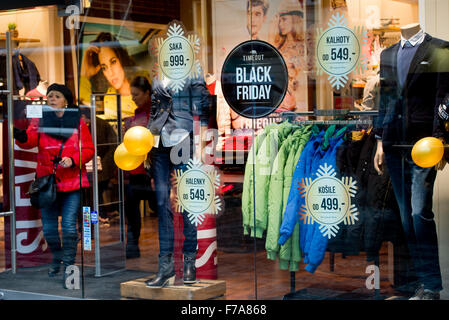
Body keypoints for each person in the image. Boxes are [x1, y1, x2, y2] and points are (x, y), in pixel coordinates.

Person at [373, 24, 449, 300]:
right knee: (407, 220)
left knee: (419, 215)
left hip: (423, 145)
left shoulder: (440, 49)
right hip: (394, 144)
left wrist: (440, 140)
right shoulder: (388, 54)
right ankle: (422, 285)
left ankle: (431, 287)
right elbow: (385, 98)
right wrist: (380, 141)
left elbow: (445, 97)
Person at [14, 84, 95, 288]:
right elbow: (30, 140)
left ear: (66, 100)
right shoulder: (40, 119)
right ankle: (57, 257)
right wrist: (19, 134)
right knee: (49, 230)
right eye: (49, 96)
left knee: (68, 227)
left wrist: (73, 159)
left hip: (72, 181)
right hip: (47, 182)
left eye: (56, 96)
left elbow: (88, 148)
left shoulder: (77, 121)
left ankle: (69, 264)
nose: (51, 99)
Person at [145, 75, 210, 288]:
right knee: (162, 204)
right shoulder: (157, 73)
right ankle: (165, 268)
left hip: (182, 138)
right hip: (158, 142)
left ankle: (190, 261)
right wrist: (147, 143)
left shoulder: (192, 68)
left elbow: (204, 102)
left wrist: (204, 139)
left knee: (187, 200)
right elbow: (155, 110)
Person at [123, 76, 157, 259]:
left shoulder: (154, 113)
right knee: (132, 209)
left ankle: (169, 249)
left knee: (160, 209)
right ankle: (132, 245)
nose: (133, 98)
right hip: (136, 169)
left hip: (151, 170)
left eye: (136, 94)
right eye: (131, 94)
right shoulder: (136, 116)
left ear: (146, 93)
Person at [80, 32, 148, 119]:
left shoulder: (145, 89)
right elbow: (83, 101)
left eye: (113, 62)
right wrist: (85, 75)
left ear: (121, 59)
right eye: (104, 67)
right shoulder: (107, 100)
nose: (110, 73)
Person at [269, 0, 307, 112]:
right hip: (282, 104)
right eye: (279, 21)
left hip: (302, 103)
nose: (280, 24)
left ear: (295, 19)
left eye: (284, 19)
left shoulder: (304, 47)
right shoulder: (278, 47)